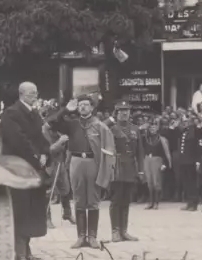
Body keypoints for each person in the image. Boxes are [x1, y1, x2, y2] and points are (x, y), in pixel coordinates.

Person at [46, 95, 115, 249]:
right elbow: (51, 123)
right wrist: (65, 109)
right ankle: (80, 237)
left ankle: (92, 237)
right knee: (78, 199)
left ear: (92, 108)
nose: (83, 107)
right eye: (80, 105)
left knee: (93, 200)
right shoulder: (72, 125)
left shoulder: (99, 125)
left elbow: (109, 150)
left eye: (86, 105)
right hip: (76, 162)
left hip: (93, 162)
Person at [0, 82, 50, 260]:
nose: (35, 96)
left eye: (36, 93)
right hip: (18, 168)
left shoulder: (35, 114)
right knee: (19, 210)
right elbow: (18, 140)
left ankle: (27, 252)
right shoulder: (11, 113)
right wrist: (37, 157)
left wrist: (45, 152)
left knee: (31, 209)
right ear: (21, 94)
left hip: (34, 168)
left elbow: (41, 137)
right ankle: (18, 254)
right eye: (31, 93)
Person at [106, 101, 143, 242]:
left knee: (126, 200)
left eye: (126, 111)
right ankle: (115, 231)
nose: (124, 113)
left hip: (130, 168)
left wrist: (140, 171)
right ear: (116, 112)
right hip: (116, 167)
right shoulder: (111, 127)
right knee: (116, 200)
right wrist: (110, 120)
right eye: (121, 111)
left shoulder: (135, 129)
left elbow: (140, 151)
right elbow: (100, 128)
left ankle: (124, 231)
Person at [42, 113, 75, 226]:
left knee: (65, 189)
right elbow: (48, 149)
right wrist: (60, 141)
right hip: (49, 164)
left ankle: (67, 213)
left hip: (60, 162)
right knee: (47, 192)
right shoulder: (44, 131)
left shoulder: (58, 130)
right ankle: (46, 218)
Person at [142, 121, 171, 210]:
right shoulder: (146, 138)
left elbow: (166, 153)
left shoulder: (162, 139)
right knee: (149, 182)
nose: (152, 129)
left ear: (157, 128)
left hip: (157, 160)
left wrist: (164, 164)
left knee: (156, 182)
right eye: (151, 128)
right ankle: (151, 202)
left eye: (154, 128)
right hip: (147, 160)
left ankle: (156, 203)